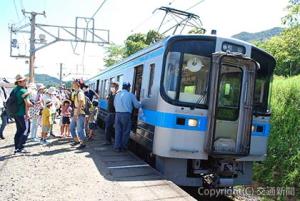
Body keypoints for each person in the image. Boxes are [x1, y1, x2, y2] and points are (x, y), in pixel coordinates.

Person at [113, 82, 141, 152]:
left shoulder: (117, 95)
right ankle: (123, 147)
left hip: (117, 114)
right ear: (128, 88)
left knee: (118, 131)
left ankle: (117, 147)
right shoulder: (131, 95)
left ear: (122, 87)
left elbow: (114, 105)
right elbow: (137, 106)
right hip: (126, 115)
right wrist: (142, 102)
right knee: (125, 131)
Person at [12, 75, 32, 153]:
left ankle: (17, 147)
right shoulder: (23, 91)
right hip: (23, 113)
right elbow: (27, 103)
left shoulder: (15, 89)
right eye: (24, 81)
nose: (25, 82)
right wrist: (33, 104)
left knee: (19, 130)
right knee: (26, 130)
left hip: (16, 113)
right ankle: (20, 147)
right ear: (20, 82)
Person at [70, 79, 87, 149]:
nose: (72, 85)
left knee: (80, 129)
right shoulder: (75, 92)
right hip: (76, 112)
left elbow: (80, 103)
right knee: (71, 127)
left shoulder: (80, 93)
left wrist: (76, 114)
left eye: (73, 83)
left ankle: (83, 143)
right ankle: (76, 140)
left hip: (79, 112)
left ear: (77, 84)